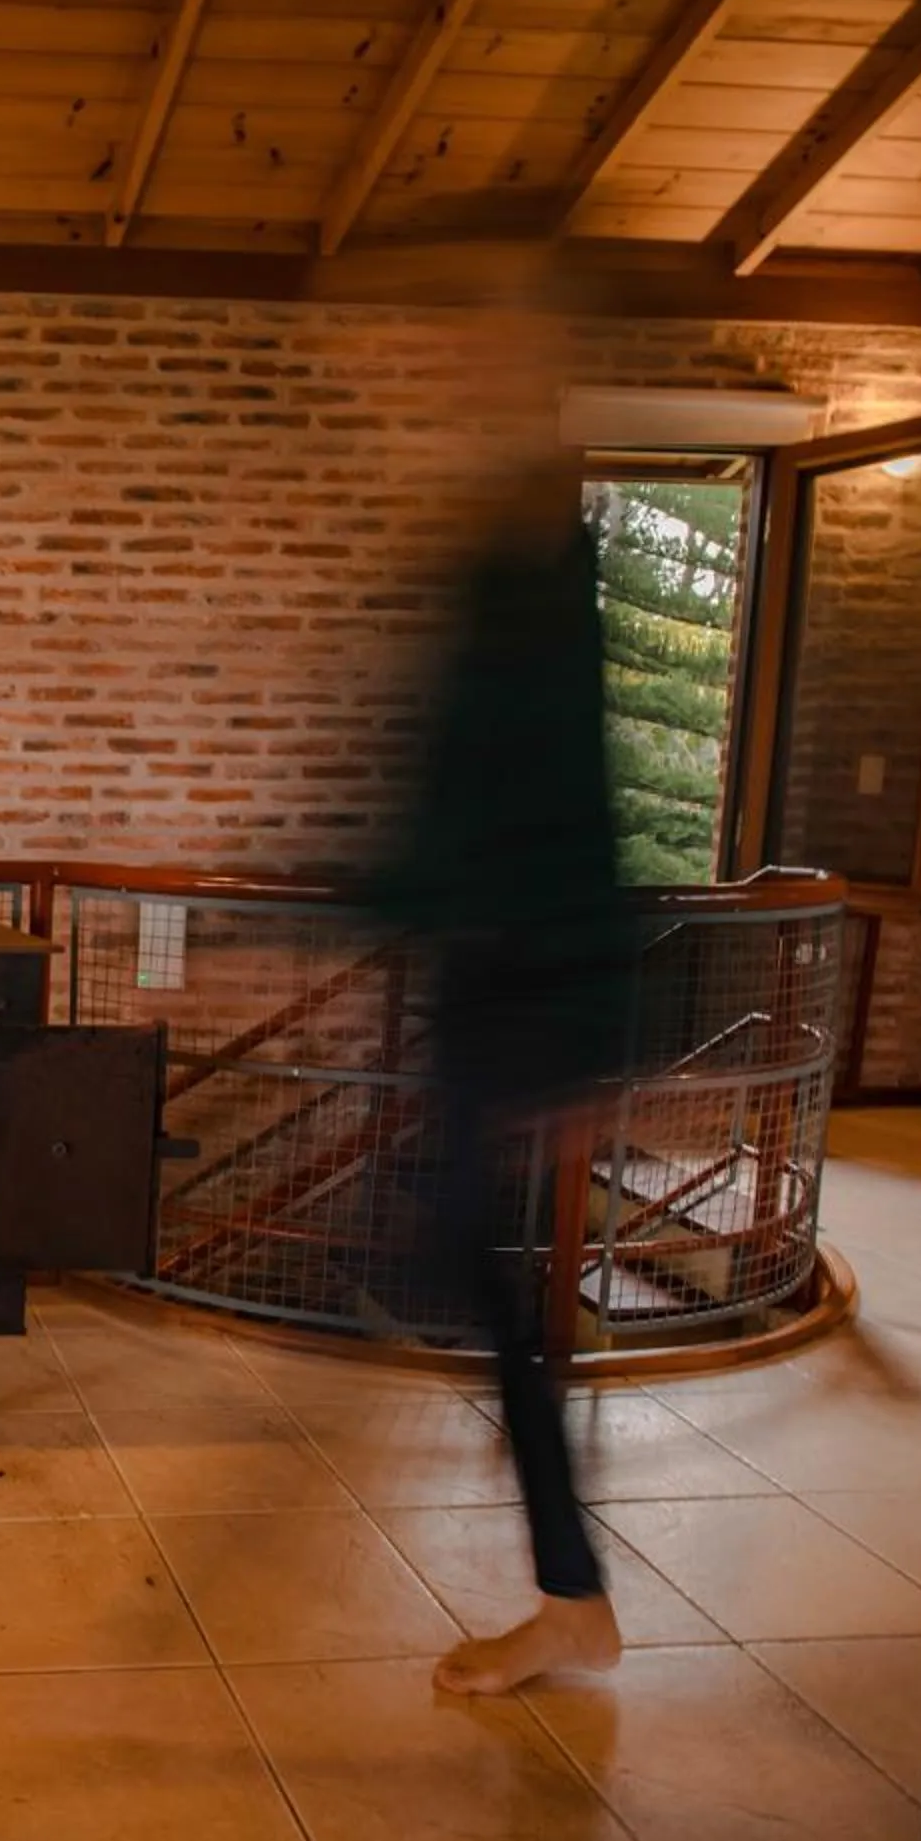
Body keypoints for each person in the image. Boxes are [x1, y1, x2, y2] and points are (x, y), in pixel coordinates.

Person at [375, 438, 639, 1697]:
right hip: (499, 990)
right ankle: (570, 1586)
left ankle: (572, 1594)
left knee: (464, 1265)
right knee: (466, 1270)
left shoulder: (528, 581)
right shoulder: (510, 573)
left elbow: (534, 812)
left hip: (522, 993)